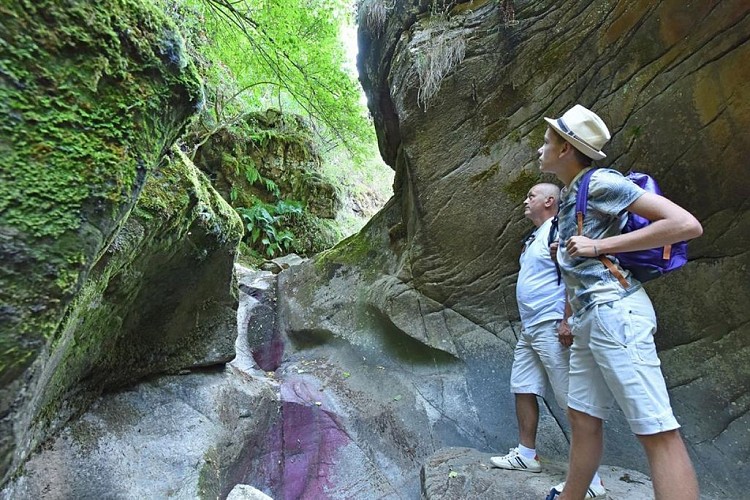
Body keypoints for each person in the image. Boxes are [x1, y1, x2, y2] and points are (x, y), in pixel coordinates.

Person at [537, 104, 702, 500]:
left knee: (656, 428)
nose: (539, 150)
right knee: (581, 417)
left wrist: (599, 245)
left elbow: (685, 225)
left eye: (546, 142)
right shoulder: (570, 195)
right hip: (590, 320)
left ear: (565, 150)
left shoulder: (600, 183)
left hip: (617, 313)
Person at [490, 183, 605, 498]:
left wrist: (568, 319)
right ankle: (527, 455)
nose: (525, 201)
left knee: (571, 398)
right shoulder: (535, 237)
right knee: (523, 386)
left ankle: (590, 479)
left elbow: (574, 273)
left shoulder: (559, 229)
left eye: (531, 196)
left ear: (550, 200)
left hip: (552, 324)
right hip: (530, 327)